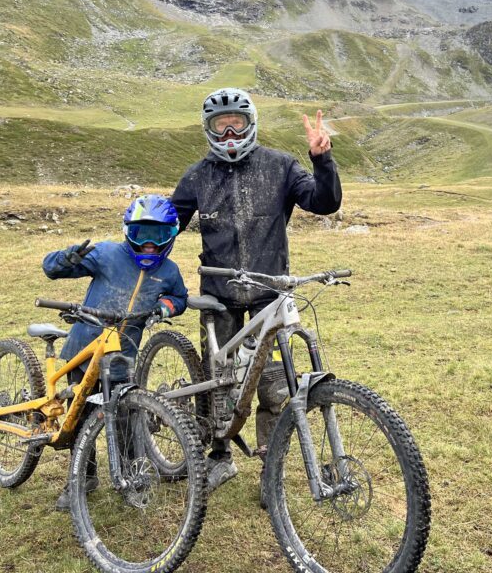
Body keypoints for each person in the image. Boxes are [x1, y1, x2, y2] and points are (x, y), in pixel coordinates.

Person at [171, 87, 342, 496]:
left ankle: (271, 471)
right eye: (220, 125)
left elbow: (324, 202)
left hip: (270, 294)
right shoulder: (198, 176)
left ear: (251, 124)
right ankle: (218, 457)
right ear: (208, 129)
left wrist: (322, 159)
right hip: (219, 294)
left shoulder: (280, 166)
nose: (230, 133)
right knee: (217, 383)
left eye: (238, 124)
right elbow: (167, 224)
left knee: (274, 387)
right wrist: (139, 235)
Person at [42, 193, 188, 510]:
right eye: (141, 235)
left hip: (124, 358)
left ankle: (132, 475)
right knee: (78, 418)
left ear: (172, 236)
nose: (149, 245)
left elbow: (180, 298)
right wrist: (66, 258)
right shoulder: (106, 254)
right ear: (127, 232)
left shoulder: (170, 272)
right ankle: (83, 476)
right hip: (86, 349)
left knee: (126, 416)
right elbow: (49, 268)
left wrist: (164, 307)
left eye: (158, 236)